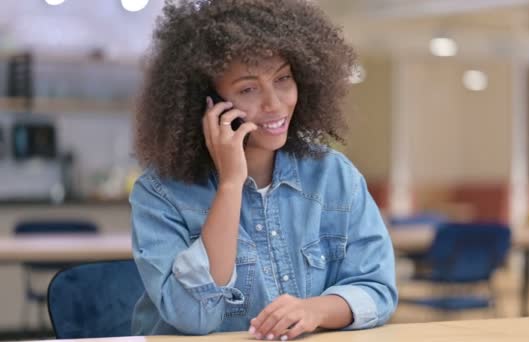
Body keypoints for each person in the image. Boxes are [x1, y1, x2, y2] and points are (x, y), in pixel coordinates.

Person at [130, 0, 398, 339]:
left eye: (283, 78)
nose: (274, 103)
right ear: (206, 103)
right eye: (248, 88)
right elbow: (192, 317)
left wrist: (314, 310)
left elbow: (378, 290)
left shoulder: (335, 176)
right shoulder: (160, 193)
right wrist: (230, 185)